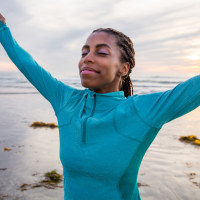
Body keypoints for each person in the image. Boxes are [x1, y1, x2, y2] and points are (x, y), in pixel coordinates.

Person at [0, 13, 200, 200]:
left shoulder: (142, 111)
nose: (87, 58)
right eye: (84, 52)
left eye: (102, 52)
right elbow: (28, 64)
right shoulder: (66, 101)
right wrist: (3, 30)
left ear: (123, 68)